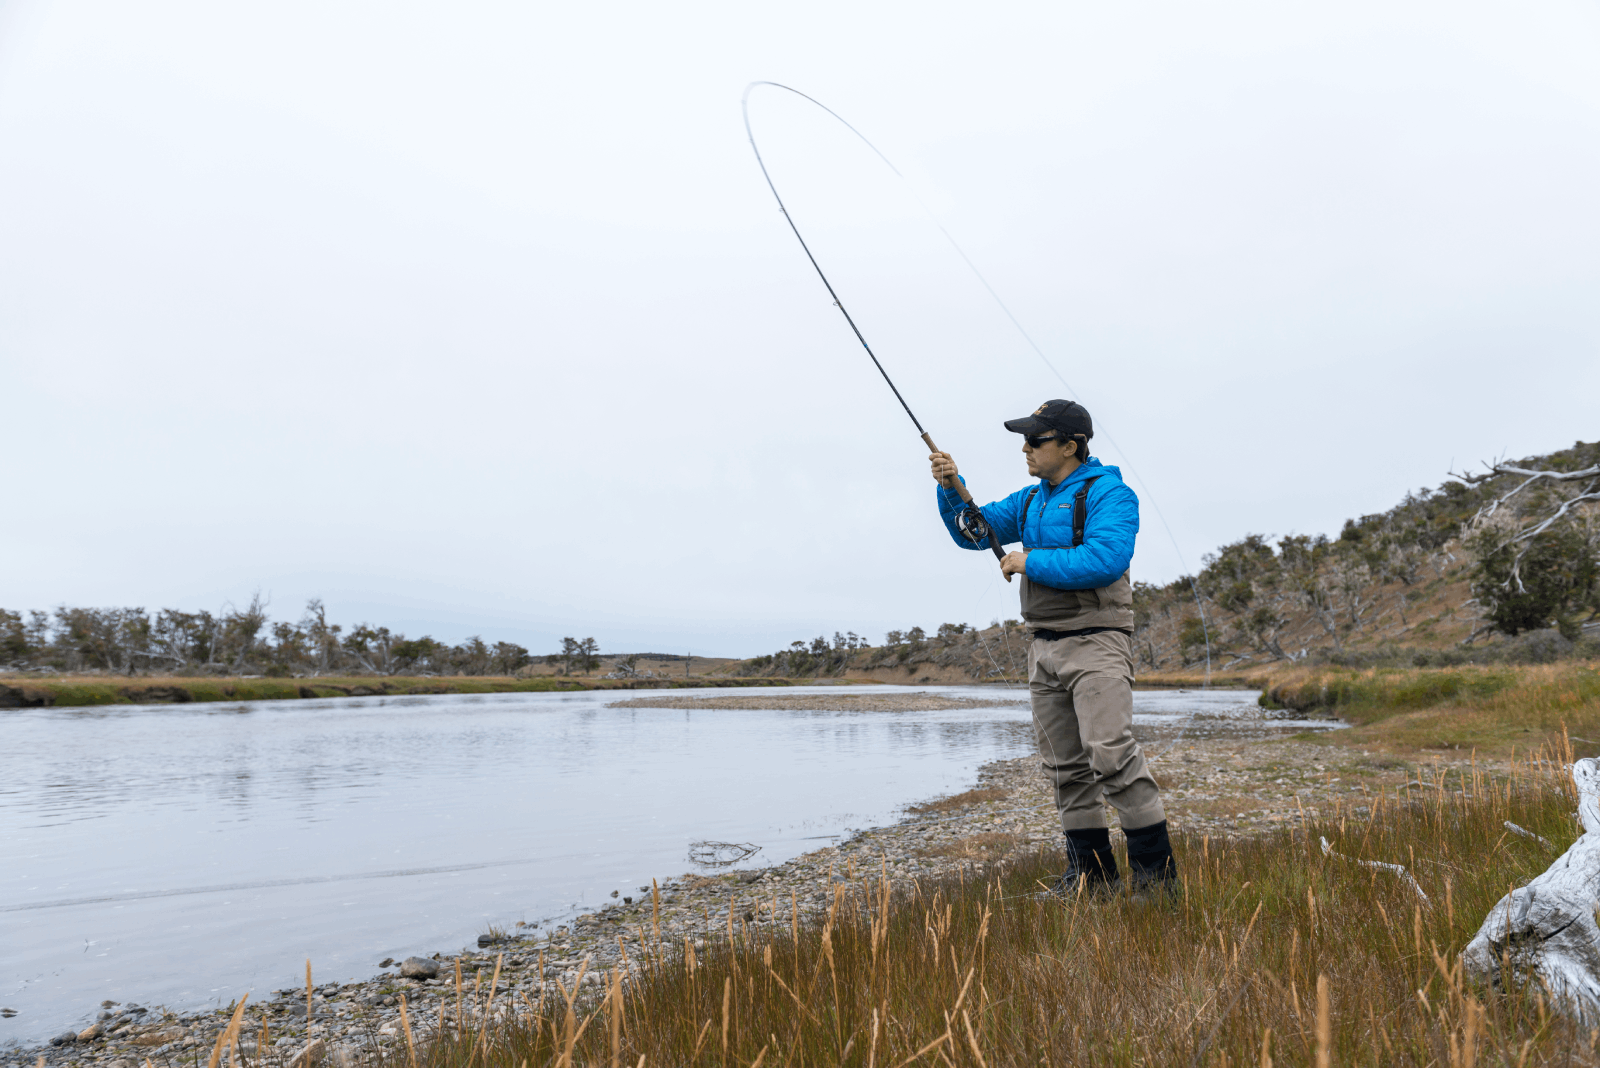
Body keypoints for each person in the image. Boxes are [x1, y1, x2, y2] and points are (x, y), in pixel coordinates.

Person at [929, 399, 1175, 898]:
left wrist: (1028, 561)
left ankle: (1156, 881)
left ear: (1069, 445)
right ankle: (1091, 879)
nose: (1025, 448)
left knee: (1111, 755)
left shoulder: (1112, 495)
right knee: (1064, 767)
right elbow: (975, 533)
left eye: (1034, 440)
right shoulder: (1030, 499)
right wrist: (949, 487)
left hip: (1098, 643)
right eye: (1024, 440)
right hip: (1043, 647)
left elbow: (1105, 559)